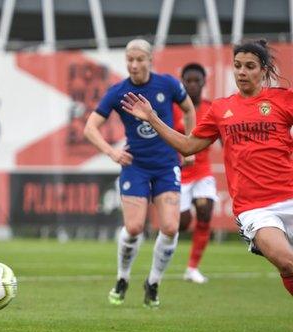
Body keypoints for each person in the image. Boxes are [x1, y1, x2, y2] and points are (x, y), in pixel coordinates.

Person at [120, 39, 293, 297]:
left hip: (289, 196)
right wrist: (153, 118)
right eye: (237, 66)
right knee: (287, 262)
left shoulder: (283, 100)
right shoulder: (221, 109)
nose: (242, 72)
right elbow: (188, 145)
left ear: (264, 70)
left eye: (250, 66)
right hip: (255, 208)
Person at [83, 39, 196, 307]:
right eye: (129, 60)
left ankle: (153, 283)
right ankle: (122, 278)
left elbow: (189, 109)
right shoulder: (118, 92)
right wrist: (112, 153)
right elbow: (90, 128)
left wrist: (189, 145)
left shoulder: (167, 84)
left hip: (167, 165)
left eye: (139, 59)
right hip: (136, 166)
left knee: (170, 226)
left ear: (150, 60)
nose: (134, 65)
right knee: (134, 227)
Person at [172, 63, 217, 284]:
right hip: (179, 174)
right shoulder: (173, 108)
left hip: (203, 171)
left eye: (195, 81)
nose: (191, 85)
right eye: (187, 81)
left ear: (203, 83)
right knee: (181, 223)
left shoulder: (211, 108)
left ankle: (192, 268)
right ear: (182, 82)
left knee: (205, 211)